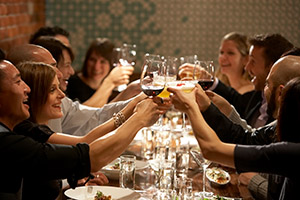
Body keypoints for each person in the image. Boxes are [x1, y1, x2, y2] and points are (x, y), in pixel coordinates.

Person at [0, 59, 161, 199]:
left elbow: (83, 146)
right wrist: (138, 119)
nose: (62, 95)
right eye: (18, 81)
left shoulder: (26, 128)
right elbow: (89, 153)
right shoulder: (11, 141)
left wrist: (77, 179)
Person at [178, 55, 300, 200]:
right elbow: (247, 139)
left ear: (280, 93)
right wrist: (207, 107)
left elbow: (211, 149)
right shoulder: (280, 129)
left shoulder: (292, 150)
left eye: (267, 84)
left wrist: (190, 107)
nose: (263, 91)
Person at [6, 44, 134, 136]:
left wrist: (135, 99)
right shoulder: (21, 125)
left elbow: (96, 116)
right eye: (50, 68)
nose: (62, 74)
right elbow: (84, 145)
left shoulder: (59, 102)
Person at [67, 38, 140, 107]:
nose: (96, 67)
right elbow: (86, 115)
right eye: (92, 60)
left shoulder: (115, 88)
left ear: (111, 65)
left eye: (103, 62)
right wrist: (110, 81)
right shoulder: (71, 83)